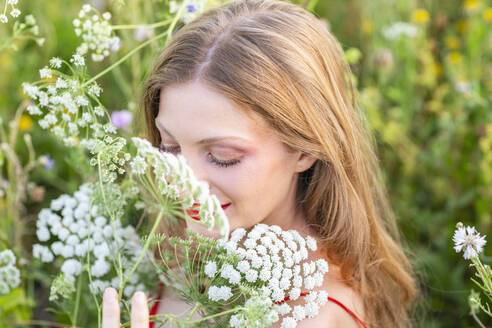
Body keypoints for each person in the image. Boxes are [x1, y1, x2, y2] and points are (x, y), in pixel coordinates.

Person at [102, 0, 418, 327]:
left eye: (223, 157)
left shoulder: (313, 316)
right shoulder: (183, 247)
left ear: (303, 150)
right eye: (170, 148)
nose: (185, 181)